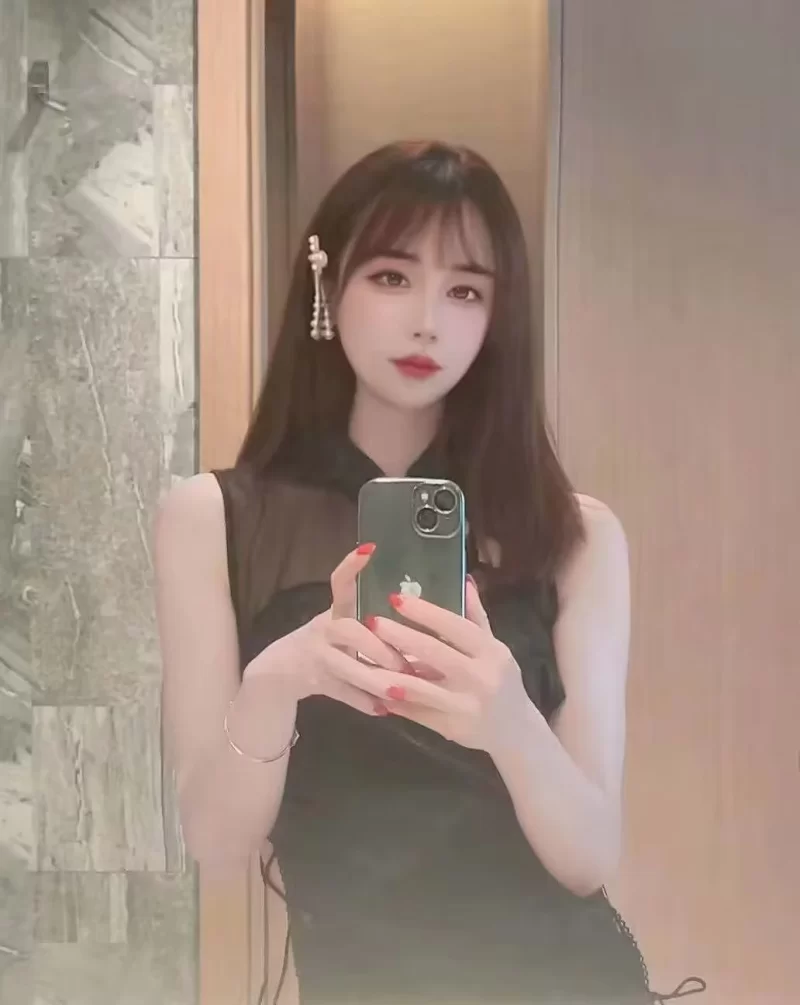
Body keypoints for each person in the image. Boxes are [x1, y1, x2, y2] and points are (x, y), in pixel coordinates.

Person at [155, 141, 705, 1005]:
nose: (427, 322)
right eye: (392, 276)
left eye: (466, 291)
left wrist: (508, 719)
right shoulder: (214, 520)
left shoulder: (576, 535)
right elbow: (217, 847)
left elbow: (590, 854)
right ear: (327, 284)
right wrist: (274, 682)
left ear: (497, 316)